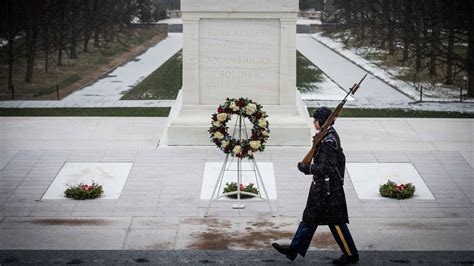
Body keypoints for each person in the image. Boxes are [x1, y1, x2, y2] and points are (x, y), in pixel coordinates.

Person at [272, 107, 359, 264]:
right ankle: (293, 250)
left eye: (315, 120)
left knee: (336, 222)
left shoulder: (328, 141)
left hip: (328, 190)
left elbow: (327, 168)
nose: (313, 122)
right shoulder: (326, 136)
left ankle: (351, 255)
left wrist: (307, 168)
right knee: (310, 219)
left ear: (323, 122)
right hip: (322, 188)